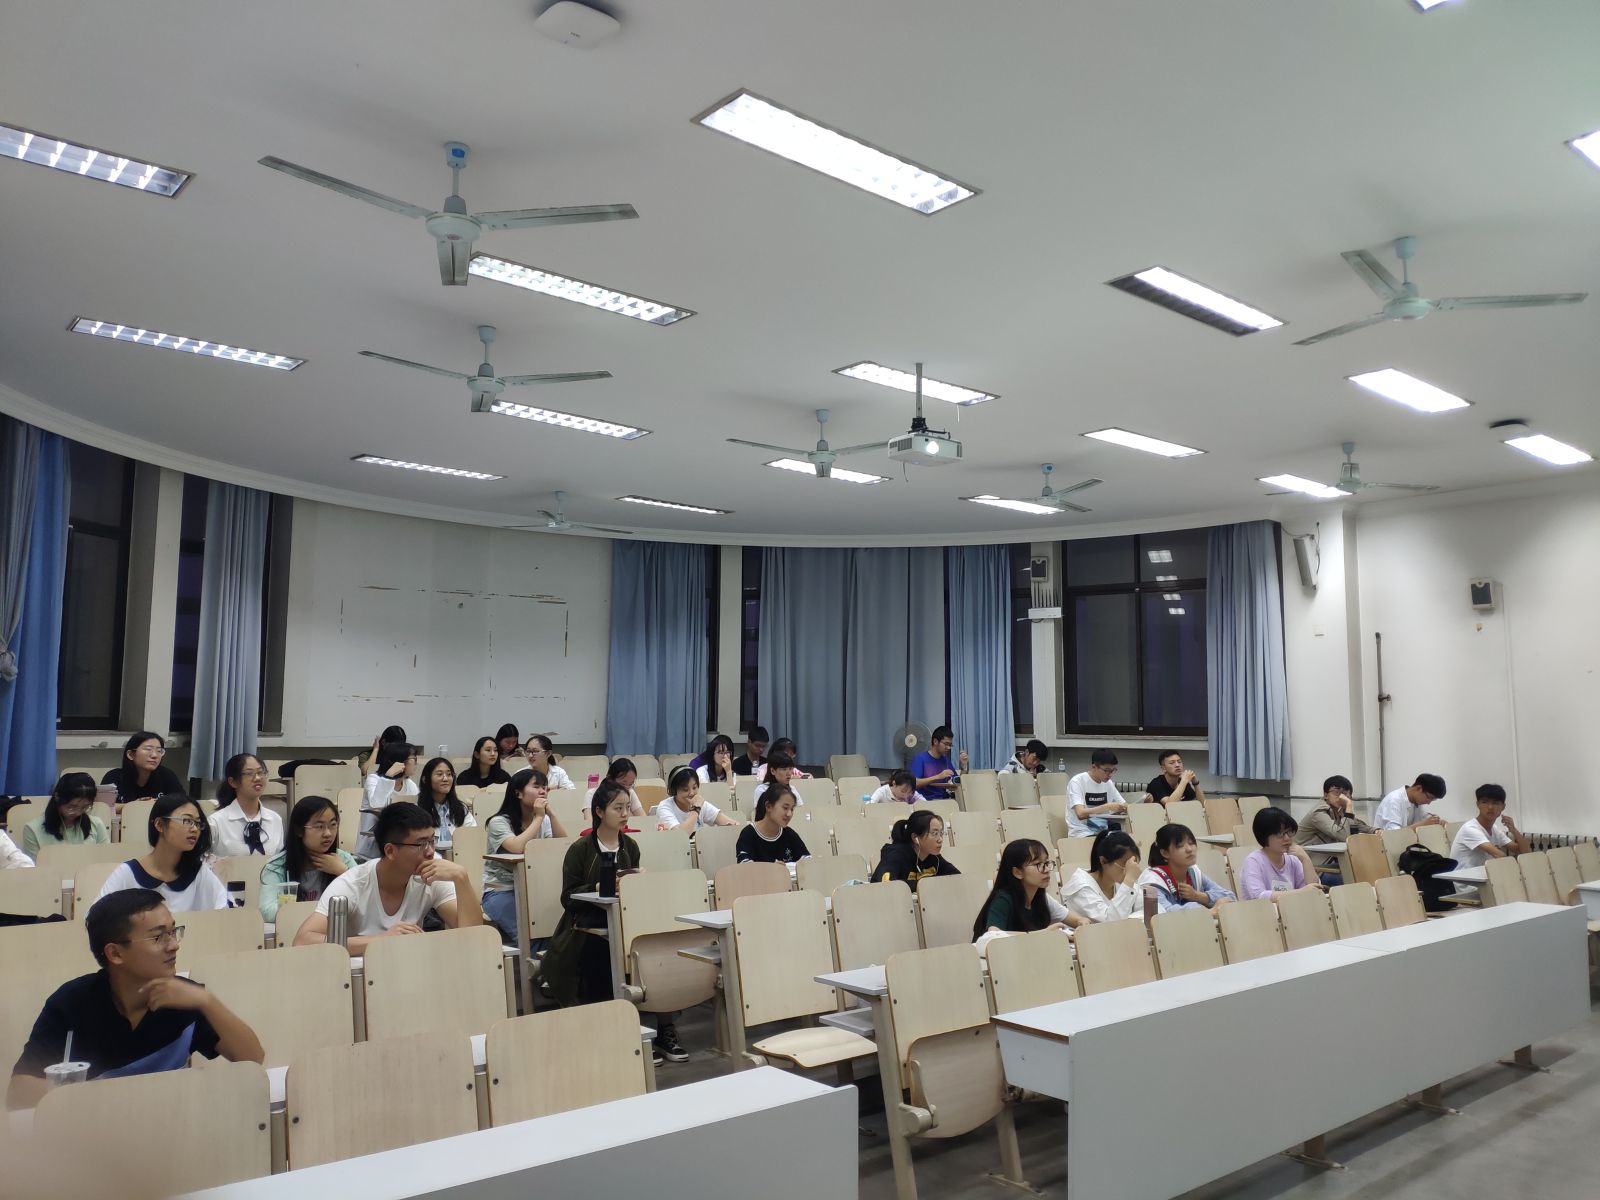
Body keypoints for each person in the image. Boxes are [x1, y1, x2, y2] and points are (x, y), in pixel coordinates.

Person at [7, 889, 264, 1109]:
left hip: (166, 1128)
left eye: (173, 932)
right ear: (115, 954)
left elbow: (252, 1058)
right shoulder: (71, 1003)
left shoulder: (185, 999)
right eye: (158, 937)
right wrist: (88, 1096)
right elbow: (18, 1093)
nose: (173, 945)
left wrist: (207, 1001)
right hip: (90, 1134)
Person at [293, 802, 482, 954]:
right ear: (390, 851)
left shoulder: (431, 871)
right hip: (358, 976)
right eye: (420, 844)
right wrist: (381, 941)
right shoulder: (353, 884)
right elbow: (302, 941)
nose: (430, 852)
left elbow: (472, 936)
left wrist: (462, 879)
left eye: (432, 841)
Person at [539, 784, 642, 1001]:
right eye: (618, 808)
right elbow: (568, 897)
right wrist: (596, 887)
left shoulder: (630, 847)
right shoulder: (580, 849)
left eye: (627, 807)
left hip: (622, 919)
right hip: (584, 924)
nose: (625, 814)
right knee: (599, 950)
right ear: (599, 811)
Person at [98, 794, 229, 912]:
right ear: (159, 825)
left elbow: (226, 911)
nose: (195, 829)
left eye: (198, 823)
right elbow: (96, 918)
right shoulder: (128, 873)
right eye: (187, 821)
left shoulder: (199, 872)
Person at [481, 768, 566, 941]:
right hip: (500, 891)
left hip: (534, 889)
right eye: (536, 786)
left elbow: (562, 845)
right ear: (518, 793)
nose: (543, 791)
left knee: (553, 931)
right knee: (530, 937)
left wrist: (551, 815)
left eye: (545, 787)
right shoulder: (498, 822)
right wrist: (539, 818)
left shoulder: (544, 820)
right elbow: (517, 847)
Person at [258, 796, 356, 921]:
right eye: (319, 826)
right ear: (299, 830)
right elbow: (267, 911)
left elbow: (365, 901)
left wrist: (343, 872)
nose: (328, 833)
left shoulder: (344, 860)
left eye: (333, 825)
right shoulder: (277, 866)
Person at [972, 840, 1079, 949]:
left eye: (1047, 863)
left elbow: (1078, 921)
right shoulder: (1002, 899)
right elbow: (992, 937)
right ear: (1017, 872)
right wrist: (1043, 934)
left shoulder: (1041, 896)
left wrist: (1082, 928)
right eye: (1038, 864)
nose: (1047, 869)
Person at [1136, 824, 1234, 915]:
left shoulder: (1193, 872)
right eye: (1180, 846)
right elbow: (1161, 914)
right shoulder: (1150, 881)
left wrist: (1197, 896)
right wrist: (1209, 912)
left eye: (1191, 843)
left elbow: (1230, 897)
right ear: (1165, 853)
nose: (1189, 849)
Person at [1295, 774, 1372, 886]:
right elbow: (1343, 835)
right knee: (1353, 882)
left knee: (1368, 872)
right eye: (1337, 792)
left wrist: (1376, 830)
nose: (1341, 797)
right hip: (1312, 867)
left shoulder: (1339, 811)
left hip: (1331, 862)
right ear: (1326, 795)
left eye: (1345, 793)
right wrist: (1348, 805)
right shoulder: (1319, 812)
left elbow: (1356, 825)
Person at [208, 753, 285, 858]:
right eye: (249, 773)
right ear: (233, 782)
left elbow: (278, 861)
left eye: (260, 772)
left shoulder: (275, 820)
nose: (257, 778)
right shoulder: (216, 822)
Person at [1237, 808, 1321, 902]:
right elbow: (1258, 896)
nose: (1287, 838)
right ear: (1264, 836)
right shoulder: (1254, 861)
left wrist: (1305, 859)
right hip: (1262, 911)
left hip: (1291, 909)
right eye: (1280, 834)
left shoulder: (1292, 859)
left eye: (1289, 832)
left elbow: (1313, 891)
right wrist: (1300, 892)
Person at [1058, 829, 1141, 924]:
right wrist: (1129, 880)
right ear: (1103, 861)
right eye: (1125, 864)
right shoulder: (1082, 888)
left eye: (1132, 863)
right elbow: (1111, 924)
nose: (1130, 869)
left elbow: (1145, 910)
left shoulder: (1120, 881)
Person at [22, 772, 109, 861]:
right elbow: (34, 868)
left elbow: (106, 862)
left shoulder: (96, 824)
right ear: (57, 797)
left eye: (85, 807)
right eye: (72, 807)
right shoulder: (33, 829)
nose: (78, 813)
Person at [357, 741, 419, 859]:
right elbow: (377, 804)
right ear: (400, 761)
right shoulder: (373, 779)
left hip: (401, 843)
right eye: (414, 759)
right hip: (373, 847)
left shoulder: (410, 785)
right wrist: (388, 777)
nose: (416, 763)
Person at [1449, 783, 1529, 872]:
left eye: (1495, 803)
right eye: (1485, 802)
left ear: (1503, 807)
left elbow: (1524, 852)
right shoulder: (1470, 828)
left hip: (1483, 876)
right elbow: (1499, 855)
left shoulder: (1494, 829)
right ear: (1478, 804)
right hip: (1465, 879)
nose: (1490, 807)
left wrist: (1514, 830)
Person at [872, 809, 957, 891]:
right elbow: (886, 884)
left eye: (941, 833)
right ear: (915, 838)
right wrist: (926, 885)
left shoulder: (935, 857)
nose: (940, 840)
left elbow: (957, 878)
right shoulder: (895, 854)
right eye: (935, 833)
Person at [100, 731, 185, 805]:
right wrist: (135, 806)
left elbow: (183, 803)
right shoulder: (113, 777)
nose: (154, 755)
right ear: (131, 754)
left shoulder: (167, 776)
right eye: (148, 749)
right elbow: (102, 806)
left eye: (159, 751)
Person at [735, 784, 810, 864]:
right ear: (768, 806)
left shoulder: (789, 833)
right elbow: (744, 865)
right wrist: (771, 869)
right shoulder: (748, 834)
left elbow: (807, 860)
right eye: (785, 808)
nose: (789, 814)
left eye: (792, 809)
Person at [655, 767, 738, 834]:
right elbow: (681, 836)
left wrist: (733, 826)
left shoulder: (699, 803)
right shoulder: (664, 807)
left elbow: (729, 823)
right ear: (673, 791)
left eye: (694, 787)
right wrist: (695, 809)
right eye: (685, 789)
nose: (692, 793)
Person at [418, 756, 476, 851]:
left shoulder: (461, 808)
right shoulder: (417, 811)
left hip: (460, 855)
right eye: (439, 774)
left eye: (449, 774)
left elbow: (472, 836)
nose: (445, 779)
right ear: (425, 779)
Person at [1065, 749, 1128, 836]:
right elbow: (1080, 813)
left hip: (1103, 833)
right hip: (1082, 833)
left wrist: (1122, 809)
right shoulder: (1077, 782)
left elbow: (1124, 805)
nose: (1110, 775)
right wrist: (1107, 807)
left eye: (1112, 771)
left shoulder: (1108, 783)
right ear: (1094, 767)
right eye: (1106, 770)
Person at [1373, 773, 1447, 831]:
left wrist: (1437, 821)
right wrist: (1423, 824)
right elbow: (1393, 834)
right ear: (1418, 788)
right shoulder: (1394, 800)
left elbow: (1424, 818)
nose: (1428, 803)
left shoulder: (1415, 802)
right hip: (1385, 845)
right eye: (1429, 797)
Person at [911, 726, 967, 802]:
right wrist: (938, 777)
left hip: (943, 800)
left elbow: (957, 782)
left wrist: (963, 767)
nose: (948, 747)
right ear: (935, 741)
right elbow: (914, 783)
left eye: (950, 745)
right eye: (946, 744)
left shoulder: (945, 760)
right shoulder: (920, 758)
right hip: (924, 801)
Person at [1142, 750, 1206, 808]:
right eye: (1172, 763)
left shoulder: (1182, 782)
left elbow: (1202, 805)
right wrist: (1184, 781)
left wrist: (1195, 783)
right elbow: (1170, 805)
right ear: (1163, 768)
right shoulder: (1156, 783)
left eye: (1179, 762)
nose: (1177, 765)